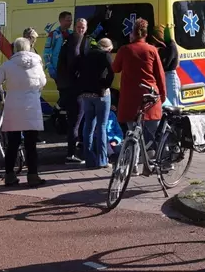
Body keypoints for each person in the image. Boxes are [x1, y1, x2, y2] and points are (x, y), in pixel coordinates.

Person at [0, 37, 47, 187]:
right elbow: (43, 82)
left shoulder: (8, 65)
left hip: (13, 106)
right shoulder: (37, 63)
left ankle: (9, 175)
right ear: (28, 48)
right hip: (31, 107)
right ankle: (33, 175)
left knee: (13, 143)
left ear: (15, 49)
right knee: (31, 144)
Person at [112, 18, 166, 171]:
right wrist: (162, 95)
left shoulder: (125, 49)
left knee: (132, 132)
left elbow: (115, 68)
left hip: (130, 98)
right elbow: (160, 75)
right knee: (153, 133)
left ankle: (133, 165)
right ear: (145, 34)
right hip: (150, 97)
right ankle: (155, 162)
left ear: (132, 34)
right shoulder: (152, 50)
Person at [57, 18, 93, 164]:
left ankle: (78, 150)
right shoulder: (71, 42)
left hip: (78, 88)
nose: (81, 30)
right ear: (74, 27)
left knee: (80, 120)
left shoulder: (87, 40)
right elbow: (70, 65)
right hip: (73, 89)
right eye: (78, 27)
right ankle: (70, 154)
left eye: (83, 27)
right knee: (75, 121)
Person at [77, 38, 115, 168]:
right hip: (101, 94)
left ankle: (89, 159)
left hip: (86, 94)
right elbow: (111, 72)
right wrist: (106, 85)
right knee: (102, 126)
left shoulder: (87, 54)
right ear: (108, 48)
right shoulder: (105, 55)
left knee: (88, 126)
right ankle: (102, 160)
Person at [151, 25, 181, 106]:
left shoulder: (171, 46)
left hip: (170, 76)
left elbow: (166, 64)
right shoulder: (166, 46)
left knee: (172, 104)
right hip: (166, 76)